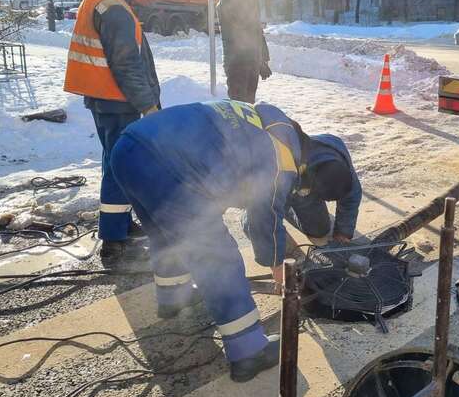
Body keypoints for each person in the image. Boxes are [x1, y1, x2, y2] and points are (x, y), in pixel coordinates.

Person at [109, 100, 310, 382]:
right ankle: (248, 350)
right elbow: (265, 213)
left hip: (128, 148)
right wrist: (277, 264)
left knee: (166, 235)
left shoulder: (253, 118)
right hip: (167, 163)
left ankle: (173, 297)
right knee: (216, 254)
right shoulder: (283, 156)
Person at [64, 0, 160, 267]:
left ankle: (118, 227)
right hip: (119, 102)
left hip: (105, 100)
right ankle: (115, 245)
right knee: (122, 168)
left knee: (113, 164)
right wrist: (148, 105)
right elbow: (127, 65)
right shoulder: (114, 7)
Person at [285, 134, 362, 246]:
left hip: (319, 151)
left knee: (319, 231)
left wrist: (343, 233)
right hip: (282, 171)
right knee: (268, 219)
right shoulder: (286, 171)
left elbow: (352, 196)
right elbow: (264, 216)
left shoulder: (340, 159)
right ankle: (287, 210)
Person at [217, 0, 271, 103]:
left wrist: (262, 60)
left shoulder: (251, 0)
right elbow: (242, 28)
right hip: (237, 63)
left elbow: (257, 32)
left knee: (249, 107)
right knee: (239, 109)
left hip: (251, 61)